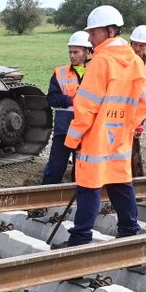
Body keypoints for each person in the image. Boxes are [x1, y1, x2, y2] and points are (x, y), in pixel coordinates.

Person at [64, 5, 146, 245]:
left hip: (95, 138)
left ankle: (80, 238)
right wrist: (126, 128)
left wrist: (73, 139)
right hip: (121, 137)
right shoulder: (134, 61)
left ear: (110, 31)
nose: (90, 38)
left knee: (89, 186)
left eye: (94, 33)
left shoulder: (100, 62)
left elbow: (85, 107)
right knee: (120, 184)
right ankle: (129, 231)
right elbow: (141, 105)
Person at [43, 32, 92, 184]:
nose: (72, 55)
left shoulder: (96, 72)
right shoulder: (60, 73)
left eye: (76, 52)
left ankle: (79, 200)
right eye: (70, 52)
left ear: (87, 51)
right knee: (56, 167)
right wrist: (72, 100)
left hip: (87, 130)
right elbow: (51, 98)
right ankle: (45, 199)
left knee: (82, 169)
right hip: (64, 129)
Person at [129, 25, 146, 177]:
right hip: (119, 111)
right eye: (135, 44)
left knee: (133, 147)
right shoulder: (123, 61)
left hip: (137, 114)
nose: (137, 49)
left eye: (141, 45)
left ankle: (135, 178)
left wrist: (140, 122)